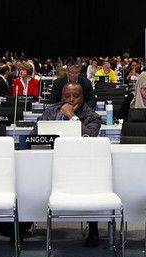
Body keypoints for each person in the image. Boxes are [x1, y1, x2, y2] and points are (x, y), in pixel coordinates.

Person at [33, 82, 101, 246]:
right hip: (50, 162)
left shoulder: (92, 116)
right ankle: (23, 225)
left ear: (83, 97)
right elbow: (34, 134)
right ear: (61, 97)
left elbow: (90, 138)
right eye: (67, 96)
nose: (71, 99)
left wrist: (72, 117)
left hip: (81, 166)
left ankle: (93, 228)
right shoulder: (50, 111)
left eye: (75, 96)